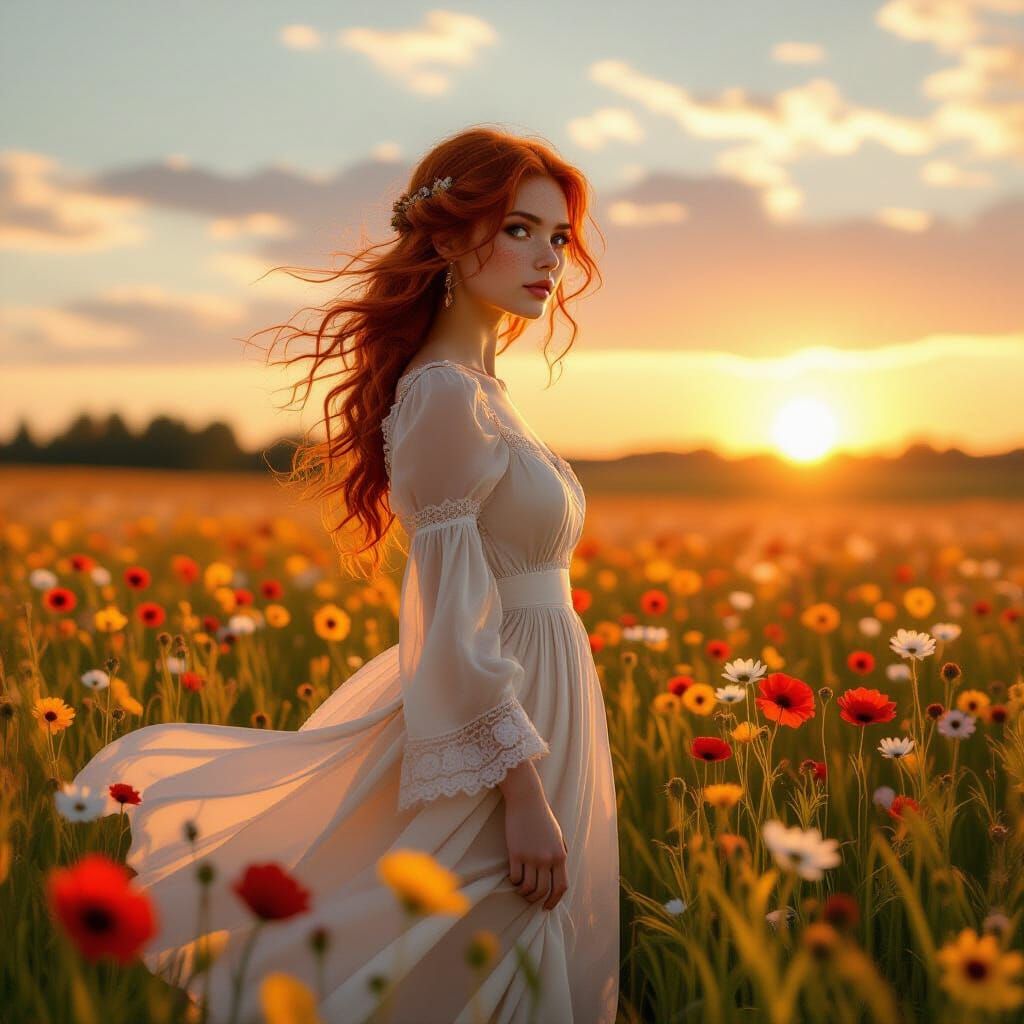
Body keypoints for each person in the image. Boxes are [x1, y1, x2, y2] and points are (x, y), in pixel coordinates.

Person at [72, 126, 619, 1023]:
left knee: (516, 964)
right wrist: (522, 791)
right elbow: (451, 615)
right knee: (472, 967)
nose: (548, 258)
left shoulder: (485, 391)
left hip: (545, 701)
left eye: (557, 237)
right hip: (499, 723)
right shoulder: (444, 394)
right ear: (445, 237)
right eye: (518, 229)